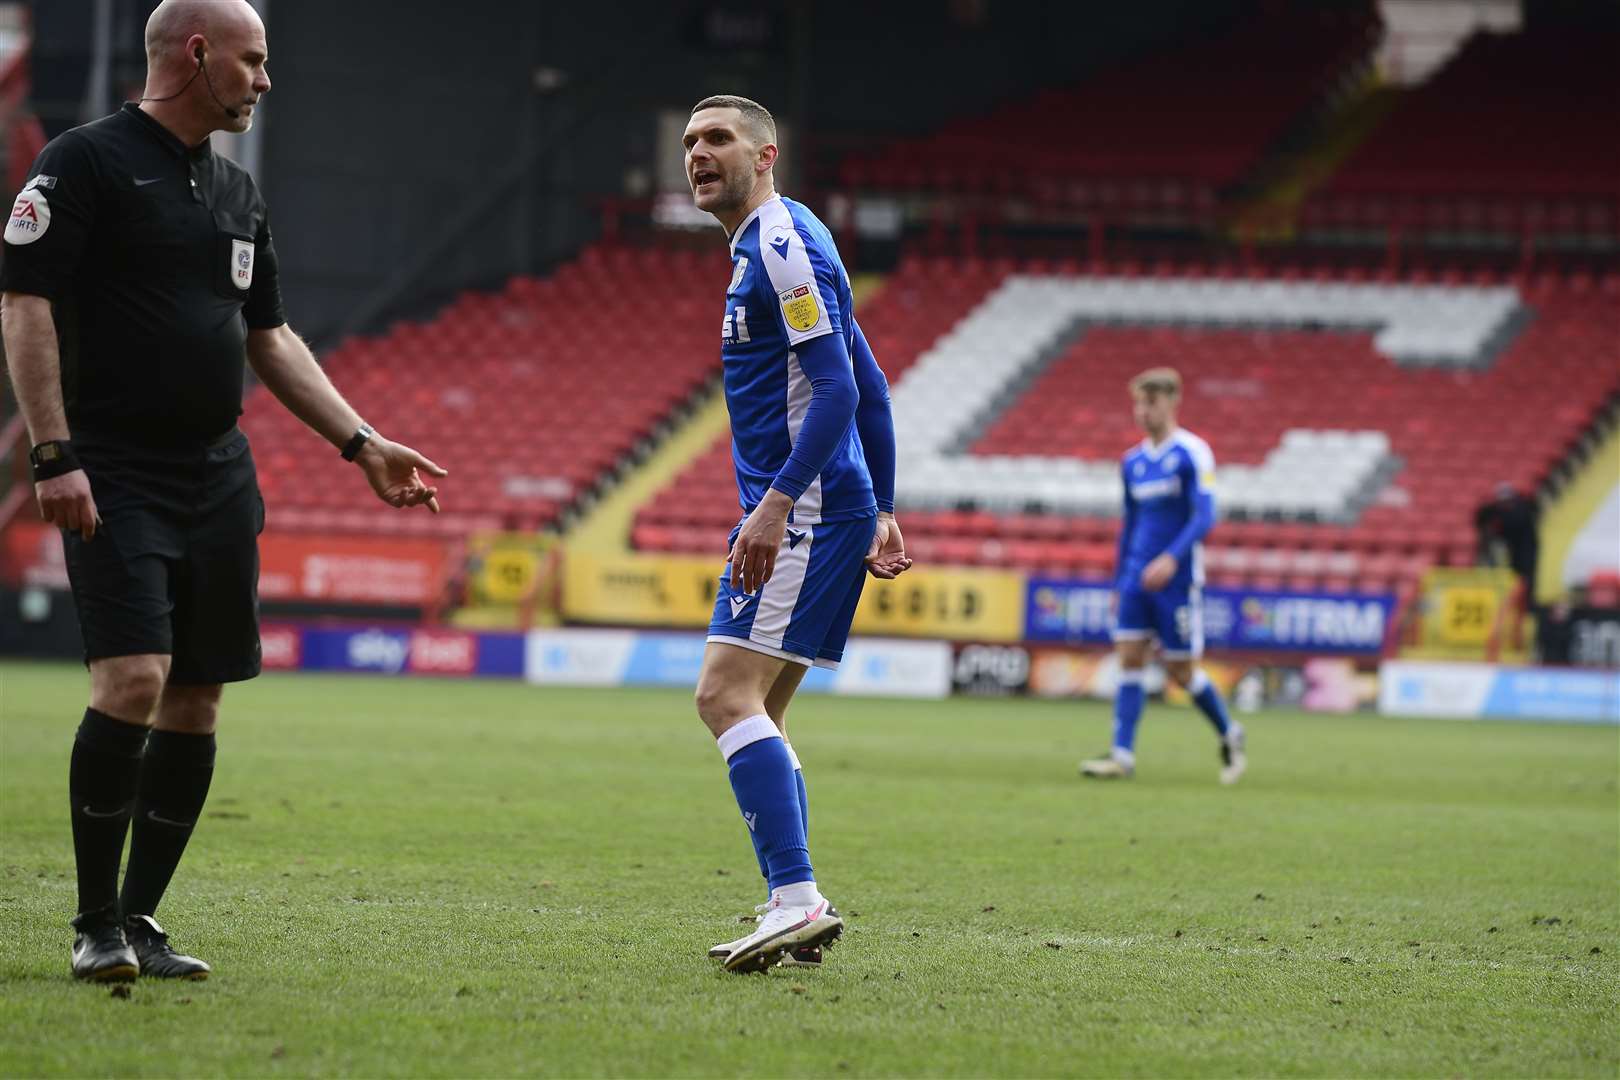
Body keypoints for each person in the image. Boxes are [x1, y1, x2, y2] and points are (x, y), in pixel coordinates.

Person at [1, 0, 446, 982]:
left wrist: (359, 441)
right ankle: (93, 924)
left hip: (216, 470)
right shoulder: (84, 162)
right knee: (133, 681)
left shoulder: (237, 192)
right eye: (253, 61)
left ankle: (141, 918)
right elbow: (24, 299)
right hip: (112, 464)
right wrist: (52, 452)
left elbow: (270, 336)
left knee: (197, 701)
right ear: (197, 54)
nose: (266, 79)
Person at [680, 94, 911, 973]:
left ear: (766, 153)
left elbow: (845, 391)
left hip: (804, 506)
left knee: (722, 695)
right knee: (761, 711)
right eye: (691, 141)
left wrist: (777, 503)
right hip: (830, 501)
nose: (699, 154)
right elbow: (872, 380)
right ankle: (793, 907)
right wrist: (883, 504)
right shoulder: (779, 241)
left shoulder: (779, 247)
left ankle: (796, 897)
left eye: (719, 139)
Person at [1081, 368, 1245, 784]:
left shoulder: (1192, 452)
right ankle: (1122, 755)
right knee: (1129, 657)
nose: (1143, 412)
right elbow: (1130, 524)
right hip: (1137, 576)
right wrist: (1120, 580)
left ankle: (1229, 731)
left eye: (1151, 403)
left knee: (1181, 672)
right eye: (1138, 403)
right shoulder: (1133, 462)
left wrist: (1172, 559)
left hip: (1177, 579)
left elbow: (1206, 514)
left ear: (1172, 403)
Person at [1475, 482, 1539, 660]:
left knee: (1525, 585)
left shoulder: (1521, 512)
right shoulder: (1502, 513)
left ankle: (1524, 614)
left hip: (1525, 558)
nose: (1505, 504)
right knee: (1513, 585)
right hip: (1513, 558)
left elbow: (1515, 524)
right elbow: (1480, 519)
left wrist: (1499, 515)